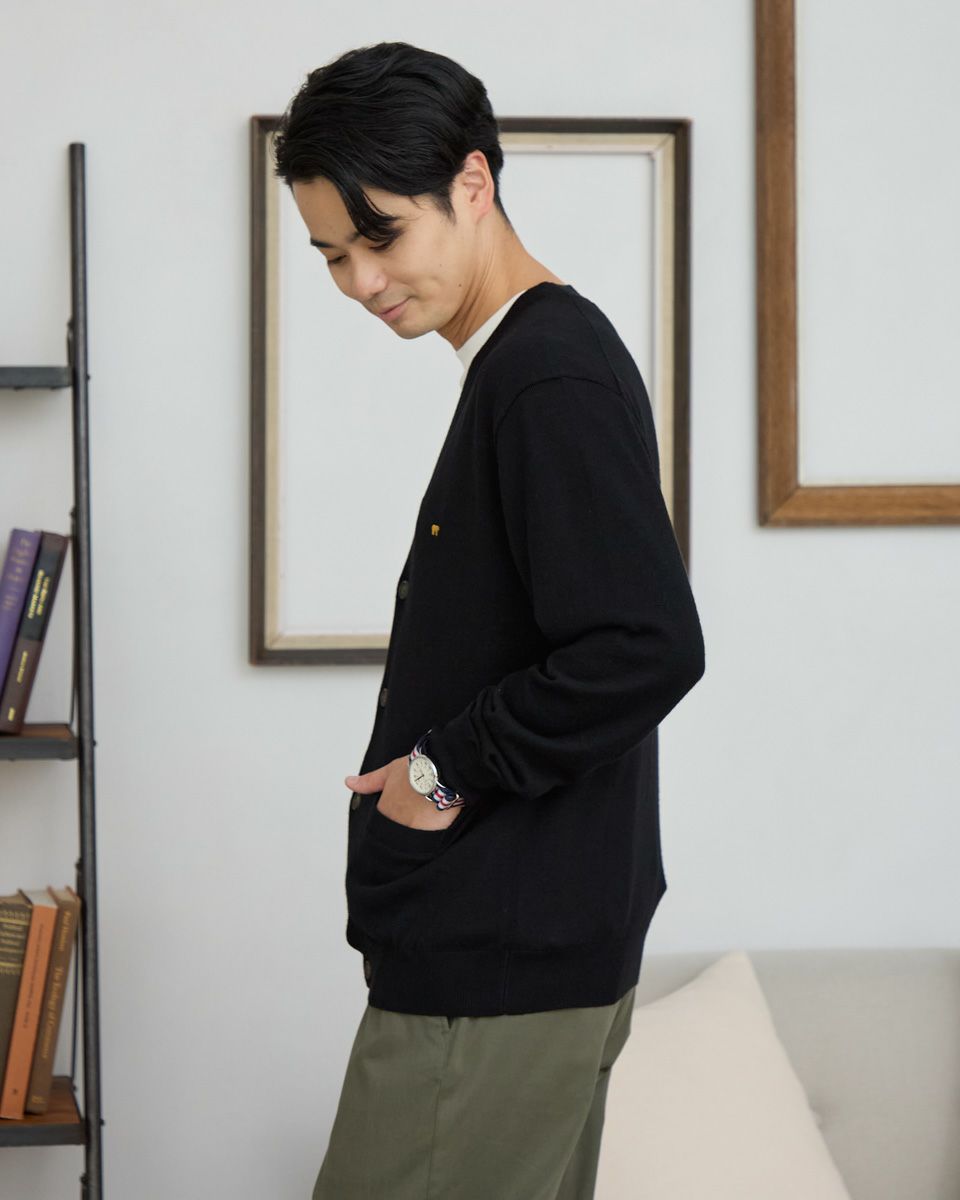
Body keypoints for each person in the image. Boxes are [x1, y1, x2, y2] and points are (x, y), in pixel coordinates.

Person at [273, 40, 706, 1200]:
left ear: (472, 183)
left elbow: (645, 645)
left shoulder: (545, 372)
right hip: (519, 950)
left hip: (500, 966)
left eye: (380, 237)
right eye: (332, 255)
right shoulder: (531, 362)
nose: (361, 281)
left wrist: (444, 767)